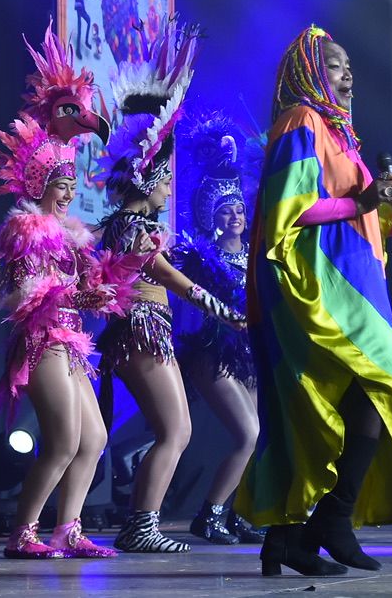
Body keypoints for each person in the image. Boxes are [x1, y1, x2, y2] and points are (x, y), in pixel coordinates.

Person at [236, 25, 392, 577]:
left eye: (349, 63)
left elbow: (360, 223)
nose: (347, 72)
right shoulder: (301, 122)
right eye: (333, 64)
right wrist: (364, 202)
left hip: (355, 291)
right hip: (314, 291)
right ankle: (324, 524)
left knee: (347, 411)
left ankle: (296, 535)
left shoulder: (339, 134)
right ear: (307, 72)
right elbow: (293, 210)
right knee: (349, 404)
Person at [94, 21, 248, 553]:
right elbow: (175, 282)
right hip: (140, 330)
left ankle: (141, 523)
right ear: (144, 180)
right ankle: (142, 526)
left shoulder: (124, 224)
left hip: (138, 331)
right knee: (175, 432)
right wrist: (226, 313)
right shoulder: (135, 229)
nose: (168, 187)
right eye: (163, 179)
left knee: (172, 431)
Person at [0, 27, 124, 559]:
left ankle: (68, 529)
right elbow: (22, 295)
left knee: (96, 440)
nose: (68, 195)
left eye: (70, 187)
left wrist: (100, 288)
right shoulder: (25, 230)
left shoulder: (71, 234)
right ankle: (22, 533)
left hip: (70, 342)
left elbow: (85, 285)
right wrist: (72, 296)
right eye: (59, 187)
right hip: (40, 342)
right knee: (62, 440)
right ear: (39, 187)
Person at [170, 113, 266, 544]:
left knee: (259, 436)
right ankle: (208, 515)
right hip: (213, 350)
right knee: (247, 433)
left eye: (239, 210)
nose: (235, 217)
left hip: (248, 353)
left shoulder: (256, 256)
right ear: (211, 217)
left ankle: (235, 512)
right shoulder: (201, 259)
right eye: (224, 212)